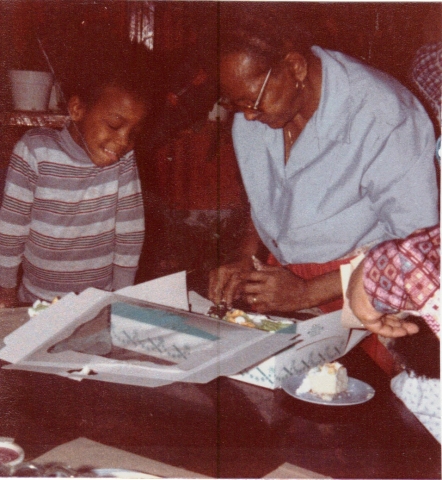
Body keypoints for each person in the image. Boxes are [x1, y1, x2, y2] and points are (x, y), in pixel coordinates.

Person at [208, 11, 439, 315]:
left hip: (368, 284)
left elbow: (418, 246)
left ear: (295, 67)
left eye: (251, 102)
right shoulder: (257, 108)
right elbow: (270, 199)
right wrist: (245, 256)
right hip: (285, 279)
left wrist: (307, 292)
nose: (248, 116)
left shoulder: (384, 115)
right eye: (234, 104)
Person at [0, 42, 152, 306]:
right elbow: (11, 230)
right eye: (115, 125)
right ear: (78, 109)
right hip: (36, 302)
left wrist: (121, 296)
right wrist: (5, 291)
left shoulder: (124, 161)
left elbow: (130, 230)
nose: (124, 142)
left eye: (134, 132)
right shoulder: (34, 151)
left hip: (97, 302)